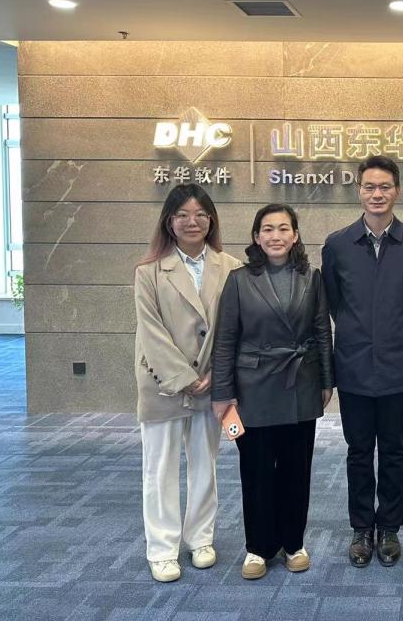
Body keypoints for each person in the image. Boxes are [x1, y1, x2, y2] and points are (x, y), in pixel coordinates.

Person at [321, 155, 403, 567]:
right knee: (357, 451)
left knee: (393, 450)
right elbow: (334, 303)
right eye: (369, 186)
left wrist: (393, 331)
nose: (377, 194)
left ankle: (388, 528)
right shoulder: (337, 245)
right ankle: (360, 529)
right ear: (359, 191)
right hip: (352, 365)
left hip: (397, 365)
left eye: (385, 186)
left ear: (397, 191)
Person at [211, 204, 333, 579]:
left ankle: (294, 543)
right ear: (256, 237)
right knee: (257, 471)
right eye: (267, 229)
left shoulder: (311, 277)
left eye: (283, 229)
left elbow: (322, 331)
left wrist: (327, 381)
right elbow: (225, 339)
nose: (275, 236)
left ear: (295, 236)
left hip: (301, 384)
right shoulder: (238, 280)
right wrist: (222, 392)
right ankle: (259, 548)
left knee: (297, 470)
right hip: (253, 388)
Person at [133, 183, 243, 583]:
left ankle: (201, 539)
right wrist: (184, 377)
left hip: (212, 383)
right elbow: (150, 331)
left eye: (199, 214)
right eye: (182, 215)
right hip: (163, 383)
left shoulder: (231, 267)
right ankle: (162, 549)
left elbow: (235, 328)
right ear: (169, 221)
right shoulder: (149, 271)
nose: (191, 222)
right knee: (159, 468)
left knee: (204, 464)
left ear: (211, 220)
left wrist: (216, 375)